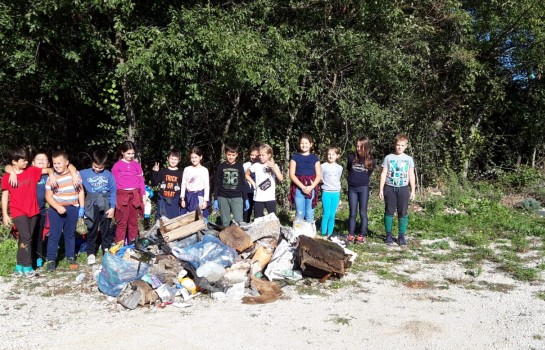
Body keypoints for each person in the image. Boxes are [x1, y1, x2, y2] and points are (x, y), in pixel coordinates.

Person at [1, 148, 53, 277]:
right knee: (26, 236)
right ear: (14, 162)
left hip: (33, 210)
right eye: (23, 160)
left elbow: (49, 169)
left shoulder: (31, 171)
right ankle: (27, 266)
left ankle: (19, 265)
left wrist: (51, 175)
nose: (26, 162)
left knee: (24, 238)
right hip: (18, 210)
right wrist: (6, 215)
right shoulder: (7, 176)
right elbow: (5, 196)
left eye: (26, 160)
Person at [45, 150, 85, 271]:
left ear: (66, 162)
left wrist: (81, 207)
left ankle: (70, 257)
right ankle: (51, 259)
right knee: (54, 235)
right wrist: (57, 207)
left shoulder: (75, 175)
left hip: (72, 208)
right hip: (56, 209)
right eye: (54, 163)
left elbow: (81, 191)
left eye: (59, 163)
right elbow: (48, 196)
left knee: (70, 234)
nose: (56, 166)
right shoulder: (52, 178)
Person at [378, 134, 416, 246]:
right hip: (389, 188)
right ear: (395, 145)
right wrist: (381, 189)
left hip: (403, 188)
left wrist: (413, 190)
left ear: (406, 146)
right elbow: (383, 173)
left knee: (403, 212)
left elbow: (411, 175)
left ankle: (401, 236)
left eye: (402, 145)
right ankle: (388, 235)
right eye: (398, 145)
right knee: (389, 212)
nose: (399, 147)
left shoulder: (409, 159)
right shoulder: (388, 158)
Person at [80, 150, 116, 264]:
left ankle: (106, 248)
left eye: (100, 168)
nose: (97, 169)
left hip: (106, 204)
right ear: (92, 162)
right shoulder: (84, 173)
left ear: (105, 165)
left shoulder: (109, 175)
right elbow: (71, 171)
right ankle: (91, 251)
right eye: (95, 167)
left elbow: (113, 191)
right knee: (92, 228)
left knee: (106, 228)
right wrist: (75, 178)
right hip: (91, 205)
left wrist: (112, 207)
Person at [112, 141, 147, 245]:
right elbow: (113, 184)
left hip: (135, 195)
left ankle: (133, 244)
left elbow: (141, 181)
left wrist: (143, 195)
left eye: (132, 153)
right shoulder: (117, 166)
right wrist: (113, 199)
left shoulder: (136, 165)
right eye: (128, 153)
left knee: (133, 222)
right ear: (122, 152)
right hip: (122, 196)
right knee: (122, 222)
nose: (131, 156)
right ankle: (119, 246)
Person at [347, 137, 376, 244]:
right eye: (357, 146)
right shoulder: (351, 157)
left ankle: (362, 234)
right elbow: (349, 169)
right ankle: (350, 234)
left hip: (363, 188)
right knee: (352, 212)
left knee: (363, 212)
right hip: (352, 188)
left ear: (366, 147)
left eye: (361, 146)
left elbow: (369, 173)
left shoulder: (371, 160)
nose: (358, 148)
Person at [213, 143, 249, 227]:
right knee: (225, 222)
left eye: (233, 155)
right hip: (223, 197)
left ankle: (238, 239)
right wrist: (215, 199)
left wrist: (246, 198)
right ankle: (225, 238)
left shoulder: (240, 166)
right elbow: (217, 183)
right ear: (225, 154)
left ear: (237, 155)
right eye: (229, 154)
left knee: (238, 221)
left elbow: (243, 183)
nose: (231, 157)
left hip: (237, 197)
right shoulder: (221, 166)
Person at [289, 134, 322, 223]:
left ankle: (309, 234)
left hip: (311, 188)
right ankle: (299, 234)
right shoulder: (295, 157)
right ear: (299, 144)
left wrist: (311, 187)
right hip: (298, 188)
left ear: (311, 144)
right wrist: (302, 187)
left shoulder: (315, 158)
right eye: (302, 143)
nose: (304, 145)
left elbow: (318, 175)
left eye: (306, 143)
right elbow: (291, 175)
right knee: (300, 213)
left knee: (309, 212)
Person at [245, 144, 283, 219]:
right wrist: (253, 183)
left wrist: (274, 168)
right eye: (260, 155)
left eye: (263, 155)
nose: (261, 157)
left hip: (270, 198)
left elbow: (281, 179)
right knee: (258, 220)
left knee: (273, 220)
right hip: (258, 198)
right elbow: (246, 175)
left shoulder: (274, 165)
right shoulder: (256, 165)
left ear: (269, 155)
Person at [151, 148, 183, 219]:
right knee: (161, 219)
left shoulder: (181, 173)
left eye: (175, 159)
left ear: (179, 160)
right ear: (167, 158)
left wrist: (183, 199)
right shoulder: (163, 171)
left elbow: (183, 188)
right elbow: (154, 183)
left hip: (175, 200)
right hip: (163, 200)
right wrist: (155, 172)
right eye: (171, 158)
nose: (173, 161)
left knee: (173, 219)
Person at [32, 152, 50, 268]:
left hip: (42, 210)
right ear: (33, 163)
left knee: (39, 236)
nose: (42, 161)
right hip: (28, 211)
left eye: (45, 160)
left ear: (48, 163)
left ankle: (39, 257)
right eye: (39, 159)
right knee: (28, 236)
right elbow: (10, 167)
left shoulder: (49, 175)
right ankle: (27, 258)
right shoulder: (28, 173)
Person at [180, 146, 210, 218]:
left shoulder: (204, 170)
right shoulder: (187, 169)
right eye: (192, 158)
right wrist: (182, 198)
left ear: (200, 157)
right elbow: (183, 184)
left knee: (200, 217)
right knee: (187, 218)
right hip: (188, 196)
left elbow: (206, 186)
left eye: (196, 157)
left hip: (200, 196)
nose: (194, 160)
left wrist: (205, 200)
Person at [320, 146, 343, 237]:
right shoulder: (322, 166)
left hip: (336, 193)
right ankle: (323, 233)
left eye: (333, 154)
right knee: (326, 213)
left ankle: (330, 233)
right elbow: (320, 178)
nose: (330, 156)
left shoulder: (339, 168)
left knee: (332, 214)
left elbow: (338, 178)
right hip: (326, 192)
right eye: (329, 154)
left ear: (337, 156)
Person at [242, 143, 262, 222]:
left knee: (258, 213)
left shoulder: (262, 165)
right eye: (251, 155)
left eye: (256, 155)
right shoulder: (246, 165)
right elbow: (243, 178)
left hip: (259, 193)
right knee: (246, 212)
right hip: (248, 192)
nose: (253, 157)